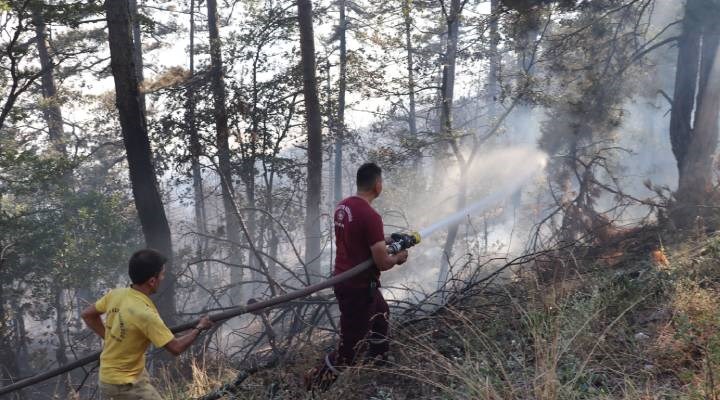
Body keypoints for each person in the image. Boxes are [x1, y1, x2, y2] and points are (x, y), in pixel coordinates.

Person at [305, 162, 409, 390]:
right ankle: (314, 386)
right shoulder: (370, 215)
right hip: (357, 288)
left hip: (349, 281)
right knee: (349, 350)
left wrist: (388, 239)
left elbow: (359, 237)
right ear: (377, 185)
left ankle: (378, 365)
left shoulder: (344, 207)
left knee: (381, 315)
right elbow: (382, 262)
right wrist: (398, 258)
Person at [82, 249, 213, 400]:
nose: (163, 278)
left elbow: (88, 315)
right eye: (162, 274)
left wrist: (112, 337)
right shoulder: (145, 313)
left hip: (108, 376)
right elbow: (175, 348)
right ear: (152, 281)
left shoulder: (116, 294)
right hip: (124, 384)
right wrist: (199, 328)